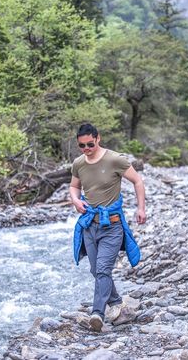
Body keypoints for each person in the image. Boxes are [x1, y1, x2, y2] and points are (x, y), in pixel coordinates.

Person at [70, 123, 146, 332]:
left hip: (112, 226)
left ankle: (97, 314)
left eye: (90, 144)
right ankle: (116, 303)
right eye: (82, 146)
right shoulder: (78, 163)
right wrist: (76, 201)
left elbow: (137, 181)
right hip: (89, 225)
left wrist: (140, 209)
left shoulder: (115, 159)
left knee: (103, 269)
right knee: (96, 270)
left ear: (98, 139)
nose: (86, 149)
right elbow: (74, 186)